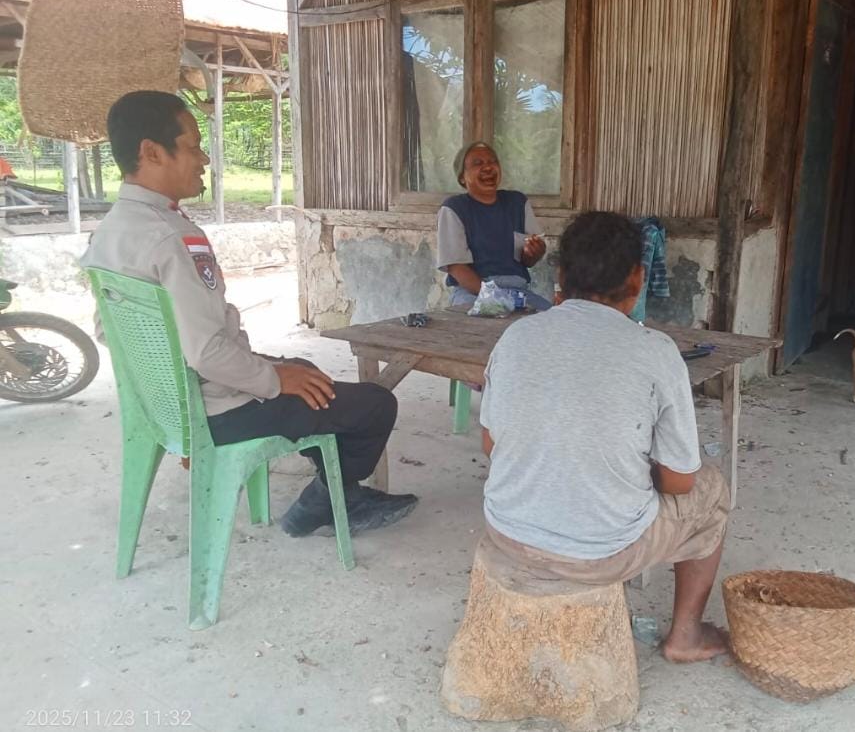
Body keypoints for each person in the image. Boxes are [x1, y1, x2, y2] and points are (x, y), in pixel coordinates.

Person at [81, 90, 418, 537]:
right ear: (151, 152)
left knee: (305, 370)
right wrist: (271, 379)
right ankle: (323, 503)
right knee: (375, 404)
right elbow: (207, 352)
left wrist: (178, 396)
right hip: (219, 411)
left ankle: (337, 484)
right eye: (193, 146)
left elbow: (109, 331)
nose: (204, 159)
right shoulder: (171, 237)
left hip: (169, 407)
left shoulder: (109, 232)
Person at [478, 211, 731, 662]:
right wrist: (620, 467)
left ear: (560, 276)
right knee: (713, 491)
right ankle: (685, 637)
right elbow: (680, 483)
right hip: (601, 554)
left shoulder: (516, 336)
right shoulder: (656, 352)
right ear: (638, 279)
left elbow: (491, 446)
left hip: (507, 531)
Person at [435, 141, 551, 311]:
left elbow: (529, 261)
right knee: (482, 324)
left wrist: (535, 251)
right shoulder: (454, 208)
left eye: (493, 162)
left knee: (549, 317)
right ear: (462, 177)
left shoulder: (517, 202)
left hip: (518, 292)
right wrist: (493, 297)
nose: (488, 168)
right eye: (478, 163)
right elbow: (456, 267)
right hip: (473, 293)